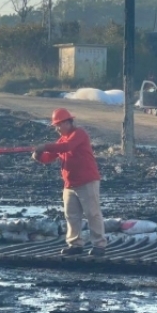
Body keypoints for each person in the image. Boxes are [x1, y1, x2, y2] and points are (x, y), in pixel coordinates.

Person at [32, 108, 106, 256]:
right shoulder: (62, 140)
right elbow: (48, 158)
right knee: (71, 215)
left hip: (87, 181)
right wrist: (38, 155)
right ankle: (75, 244)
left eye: (58, 125)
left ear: (67, 122)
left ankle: (99, 245)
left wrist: (45, 146)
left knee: (92, 213)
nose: (57, 129)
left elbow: (67, 147)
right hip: (70, 184)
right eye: (56, 126)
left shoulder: (79, 134)